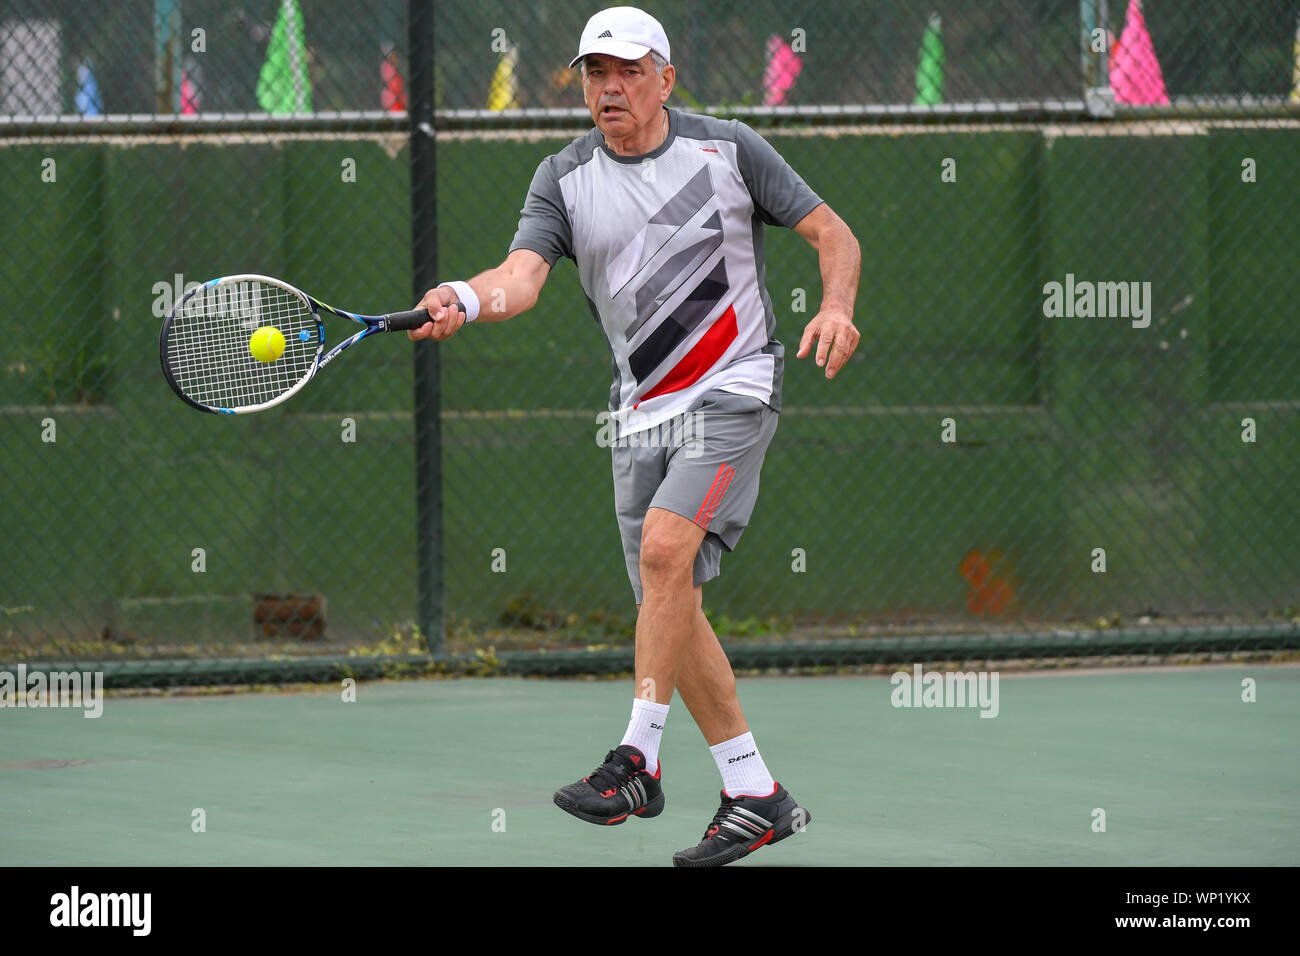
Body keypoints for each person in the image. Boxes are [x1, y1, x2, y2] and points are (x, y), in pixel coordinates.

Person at [408, 5, 861, 867]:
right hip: (639, 412)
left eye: (626, 72)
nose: (609, 88)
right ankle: (754, 792)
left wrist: (835, 304)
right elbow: (522, 277)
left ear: (665, 78)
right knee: (671, 601)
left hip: (734, 391)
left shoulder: (728, 149)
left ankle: (636, 762)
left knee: (664, 556)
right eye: (594, 74)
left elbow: (832, 234)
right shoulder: (563, 177)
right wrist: (466, 298)